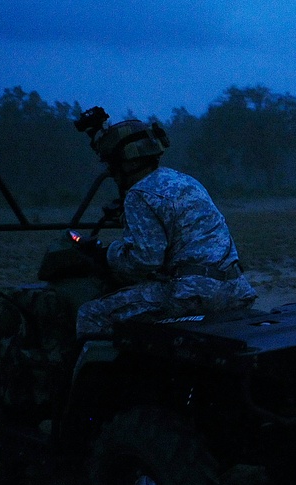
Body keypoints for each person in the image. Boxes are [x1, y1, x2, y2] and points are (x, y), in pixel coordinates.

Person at [74, 111, 257, 337]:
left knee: (91, 314)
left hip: (193, 293)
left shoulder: (139, 194)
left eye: (112, 164)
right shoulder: (184, 181)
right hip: (234, 288)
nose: (111, 172)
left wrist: (108, 254)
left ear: (125, 162)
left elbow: (145, 260)